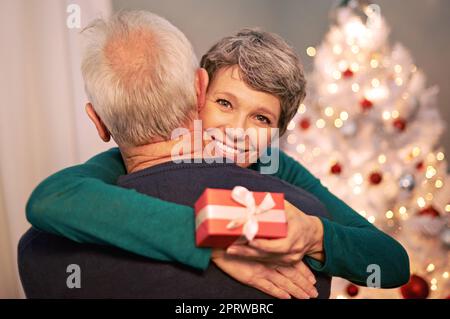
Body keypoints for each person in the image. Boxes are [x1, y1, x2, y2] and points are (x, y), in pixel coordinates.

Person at [26, 10, 410, 297]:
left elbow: (392, 261)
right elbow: (52, 199)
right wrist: (212, 241)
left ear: (277, 134)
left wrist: (313, 233)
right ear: (198, 94)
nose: (236, 131)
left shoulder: (278, 170)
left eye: (261, 118)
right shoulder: (123, 164)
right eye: (225, 103)